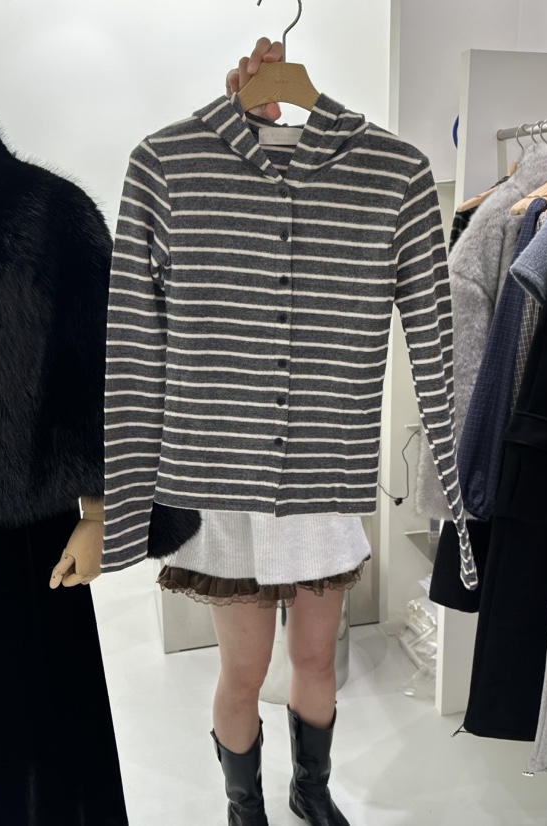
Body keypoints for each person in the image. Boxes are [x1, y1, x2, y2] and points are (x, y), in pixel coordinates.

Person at [158, 37, 362, 826]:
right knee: (243, 669)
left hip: (316, 467)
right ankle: (244, 805)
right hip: (229, 475)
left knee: (315, 658)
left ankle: (312, 789)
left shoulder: (339, 186)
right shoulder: (190, 188)